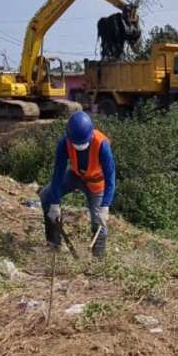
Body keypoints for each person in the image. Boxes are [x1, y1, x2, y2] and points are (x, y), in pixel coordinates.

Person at [40, 111, 116, 258]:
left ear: (90, 135)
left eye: (83, 143)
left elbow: (110, 178)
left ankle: (97, 260)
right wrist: (54, 203)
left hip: (96, 183)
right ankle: (53, 245)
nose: (79, 146)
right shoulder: (64, 143)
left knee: (99, 222)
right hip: (75, 175)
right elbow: (58, 174)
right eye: (76, 143)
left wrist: (105, 206)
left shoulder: (102, 145)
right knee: (46, 196)